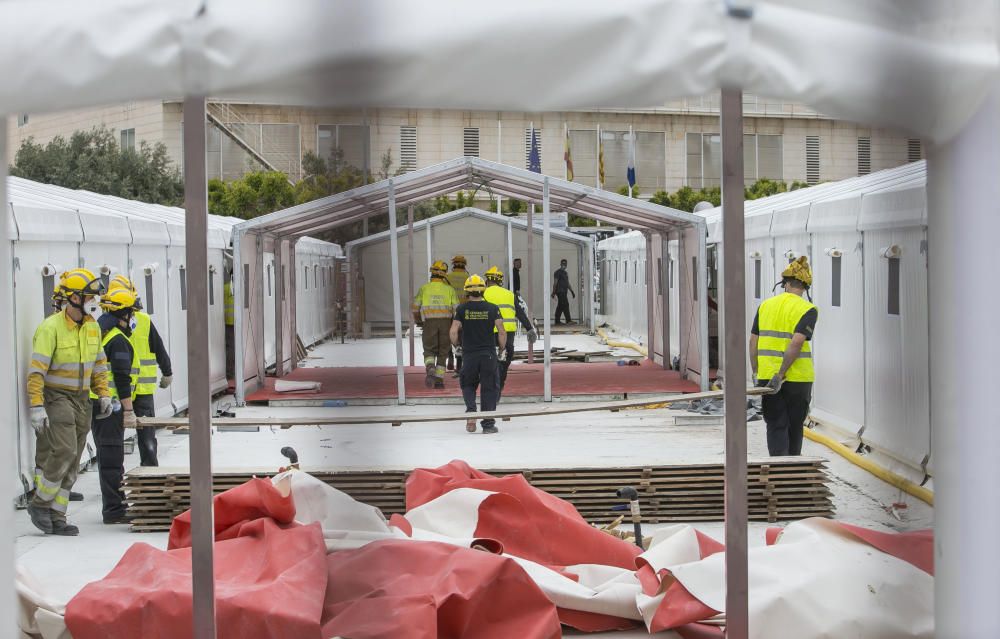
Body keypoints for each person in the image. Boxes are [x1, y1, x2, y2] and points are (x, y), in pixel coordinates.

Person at [26, 268, 113, 535]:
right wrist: (37, 405)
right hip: (56, 397)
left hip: (82, 399)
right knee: (64, 451)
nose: (93, 301)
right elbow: (37, 371)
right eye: (88, 296)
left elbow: (99, 365)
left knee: (74, 460)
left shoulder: (92, 327)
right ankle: (40, 504)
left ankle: (57, 515)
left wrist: (105, 393)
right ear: (73, 298)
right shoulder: (50, 328)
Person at [749, 256, 818, 457]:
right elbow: (796, 343)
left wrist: (756, 372)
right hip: (798, 379)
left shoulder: (765, 306)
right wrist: (782, 374)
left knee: (776, 424)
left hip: (768, 378)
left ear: (785, 284)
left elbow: (753, 342)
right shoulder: (808, 309)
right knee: (795, 426)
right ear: (805, 287)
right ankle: (793, 472)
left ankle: (778, 470)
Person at [108, 275, 172, 466]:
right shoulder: (140, 320)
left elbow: (158, 347)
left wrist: (167, 371)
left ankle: (144, 472)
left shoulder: (108, 322)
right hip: (127, 390)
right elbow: (159, 348)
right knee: (145, 435)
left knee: (134, 436)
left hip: (126, 391)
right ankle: (147, 468)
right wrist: (167, 372)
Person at [91, 287, 141, 525]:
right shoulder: (118, 340)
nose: (132, 318)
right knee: (112, 458)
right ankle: (114, 510)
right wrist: (129, 410)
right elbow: (121, 378)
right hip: (110, 407)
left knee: (108, 456)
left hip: (100, 404)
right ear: (123, 314)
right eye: (131, 313)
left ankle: (114, 506)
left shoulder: (103, 333)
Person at [450, 275, 506, 434]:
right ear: (483, 289)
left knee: (468, 384)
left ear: (467, 291)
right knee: (489, 388)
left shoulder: (461, 309)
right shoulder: (493, 308)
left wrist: (457, 347)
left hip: (469, 355)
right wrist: (501, 350)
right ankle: (488, 425)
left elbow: (453, 331)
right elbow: (501, 332)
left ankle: (471, 412)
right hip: (488, 355)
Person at [484, 266, 537, 400]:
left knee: (487, 362)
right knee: (503, 362)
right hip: (507, 335)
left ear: (487, 280)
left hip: (488, 334)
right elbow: (520, 313)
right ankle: (499, 385)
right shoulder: (509, 294)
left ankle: (491, 388)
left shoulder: (483, 293)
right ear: (500, 281)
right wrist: (529, 328)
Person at [412, 260, 459, 389]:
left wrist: (418, 321)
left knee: (428, 349)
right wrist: (455, 325)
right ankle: (439, 381)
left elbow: (415, 308)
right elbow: (457, 309)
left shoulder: (424, 288)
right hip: (446, 324)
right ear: (444, 274)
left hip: (429, 323)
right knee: (443, 352)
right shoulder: (449, 289)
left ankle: (430, 367)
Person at [445, 255, 469, 372]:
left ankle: (450, 357)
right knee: (462, 337)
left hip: (450, 312)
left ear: (453, 265)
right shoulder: (468, 277)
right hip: (464, 312)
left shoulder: (448, 277)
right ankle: (459, 365)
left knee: (451, 335)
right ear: (464, 265)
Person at [552, 258, 575, 324]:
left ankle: (557, 321)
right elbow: (555, 283)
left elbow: (567, 283)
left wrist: (572, 291)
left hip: (564, 292)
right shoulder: (557, 272)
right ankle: (568, 320)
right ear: (560, 264)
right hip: (560, 292)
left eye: (565, 264)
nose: (564, 265)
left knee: (561, 306)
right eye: (563, 263)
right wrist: (553, 292)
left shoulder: (565, 273)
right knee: (565, 304)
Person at [224, 267, 235, 384]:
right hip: (237, 324)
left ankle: (230, 373)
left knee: (230, 349)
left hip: (228, 323)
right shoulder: (242, 287)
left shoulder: (225, 288)